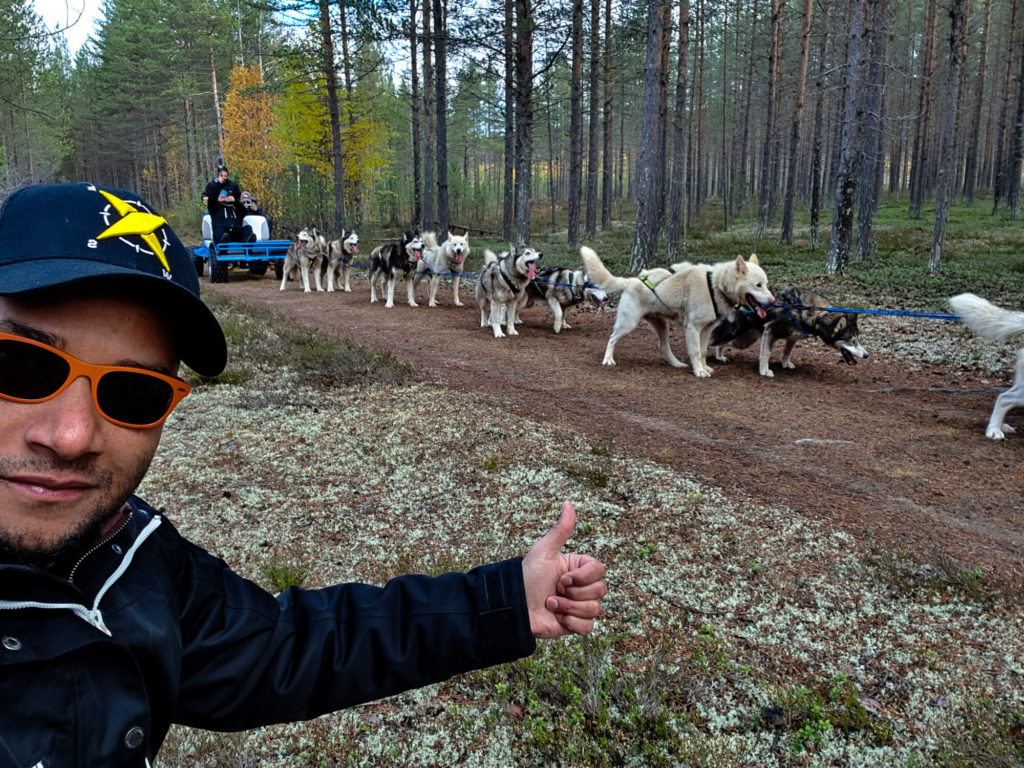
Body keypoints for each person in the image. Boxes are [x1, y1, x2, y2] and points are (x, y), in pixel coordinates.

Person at [0, 182, 608, 765]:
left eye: (134, 393)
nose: (71, 436)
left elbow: (285, 646)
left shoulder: (131, 558)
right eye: (21, 367)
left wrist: (504, 601)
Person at [202, 164, 255, 244]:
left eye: (225, 176)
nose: (223, 197)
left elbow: (244, 211)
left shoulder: (235, 207)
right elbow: (211, 199)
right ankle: (224, 243)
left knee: (248, 228)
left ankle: (248, 245)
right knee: (219, 228)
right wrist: (218, 186)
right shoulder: (214, 208)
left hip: (235, 230)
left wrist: (234, 200)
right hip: (222, 232)